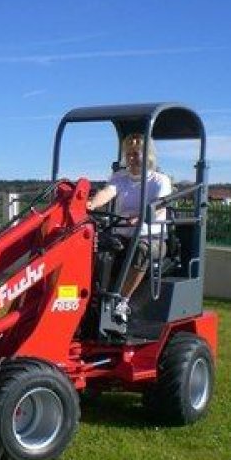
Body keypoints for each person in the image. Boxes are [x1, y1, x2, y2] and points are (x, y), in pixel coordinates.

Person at [86, 133, 172, 322]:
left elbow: (159, 205)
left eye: (136, 154)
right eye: (129, 154)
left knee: (142, 249)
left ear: (147, 155)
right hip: (122, 233)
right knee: (94, 246)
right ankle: (94, 296)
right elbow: (108, 192)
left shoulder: (159, 180)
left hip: (151, 236)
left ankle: (121, 301)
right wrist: (91, 204)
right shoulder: (120, 177)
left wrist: (142, 217)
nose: (131, 158)